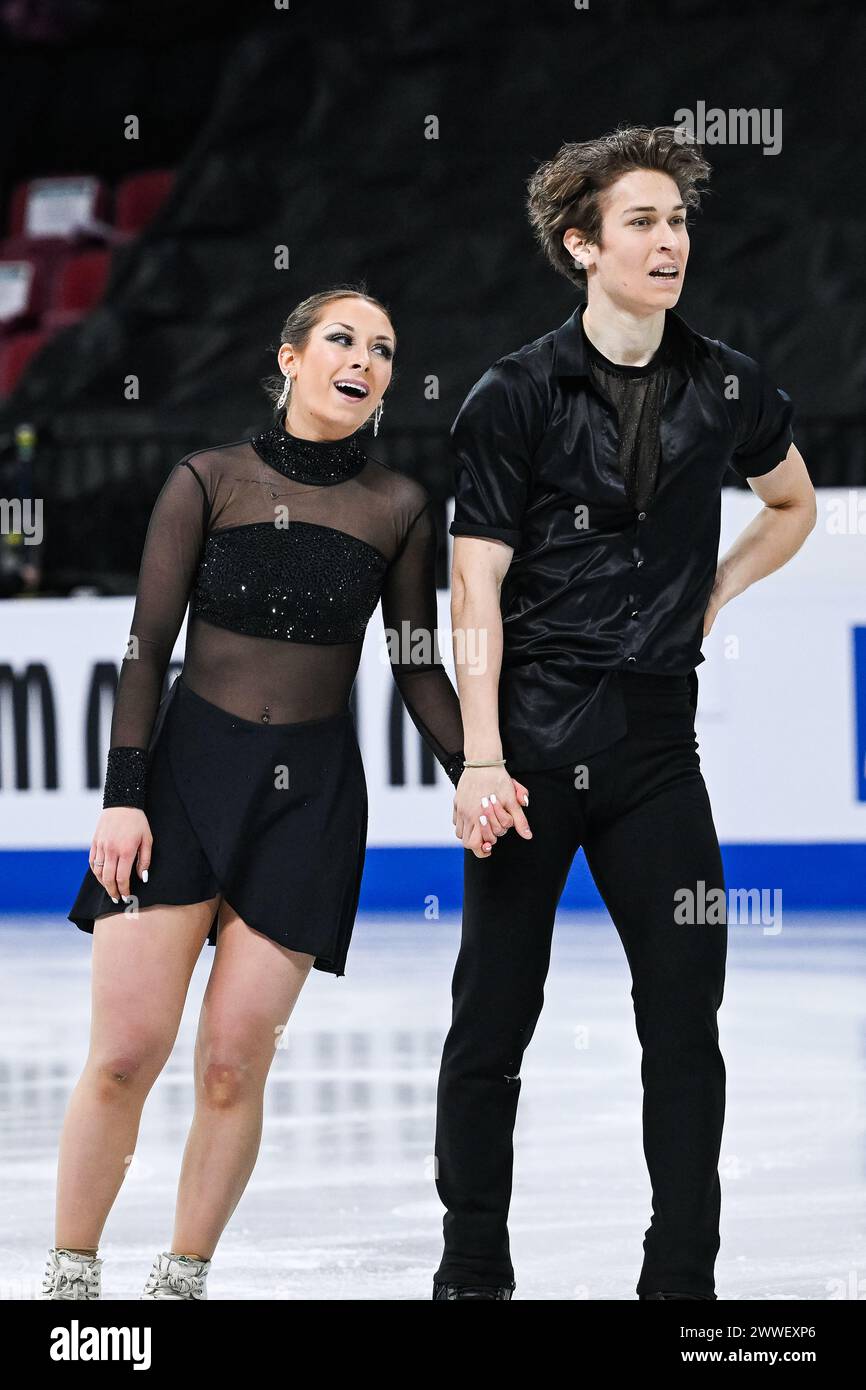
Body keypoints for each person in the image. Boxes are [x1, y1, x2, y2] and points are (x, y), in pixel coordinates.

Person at [48, 285, 527, 1300]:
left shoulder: (396, 505)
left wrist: (473, 769)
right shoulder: (206, 479)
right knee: (127, 1053)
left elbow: (411, 662)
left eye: (385, 349)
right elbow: (146, 648)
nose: (365, 359)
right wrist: (121, 795)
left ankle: (181, 1278)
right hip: (178, 785)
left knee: (231, 1066)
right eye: (344, 339)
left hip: (306, 803)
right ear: (291, 357)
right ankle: (71, 1274)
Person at [432, 126, 817, 1301]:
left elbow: (789, 503)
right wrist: (482, 756)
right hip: (534, 747)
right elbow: (473, 585)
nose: (669, 241)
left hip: (656, 746)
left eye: (677, 221)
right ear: (580, 245)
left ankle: (680, 1281)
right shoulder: (510, 393)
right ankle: (472, 1267)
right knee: (491, 1021)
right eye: (641, 222)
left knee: (683, 1019)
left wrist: (709, 593)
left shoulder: (729, 381)